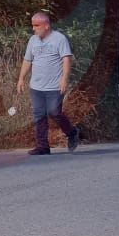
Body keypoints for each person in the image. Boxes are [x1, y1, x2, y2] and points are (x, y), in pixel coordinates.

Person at [16, 10, 79, 155]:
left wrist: (64, 79)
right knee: (39, 115)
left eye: (36, 25)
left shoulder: (59, 39)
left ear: (46, 25)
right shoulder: (33, 41)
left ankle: (72, 132)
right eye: (32, 25)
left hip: (54, 86)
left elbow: (66, 59)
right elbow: (27, 60)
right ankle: (42, 146)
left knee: (54, 112)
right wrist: (21, 79)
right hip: (36, 86)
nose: (33, 28)